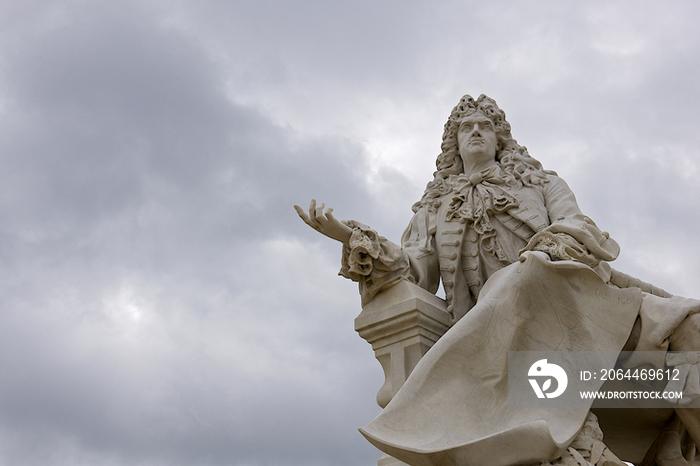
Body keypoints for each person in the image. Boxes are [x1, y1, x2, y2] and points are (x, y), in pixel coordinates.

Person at [295, 95, 700, 466]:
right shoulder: (433, 209)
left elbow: (576, 225)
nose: (475, 131)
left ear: (499, 139)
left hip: (580, 301)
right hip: (505, 329)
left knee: (689, 328)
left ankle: (672, 445)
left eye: (485, 126)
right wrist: (354, 239)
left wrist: (548, 249)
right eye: (466, 126)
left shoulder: (541, 184)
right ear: (454, 143)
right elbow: (414, 272)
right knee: (515, 282)